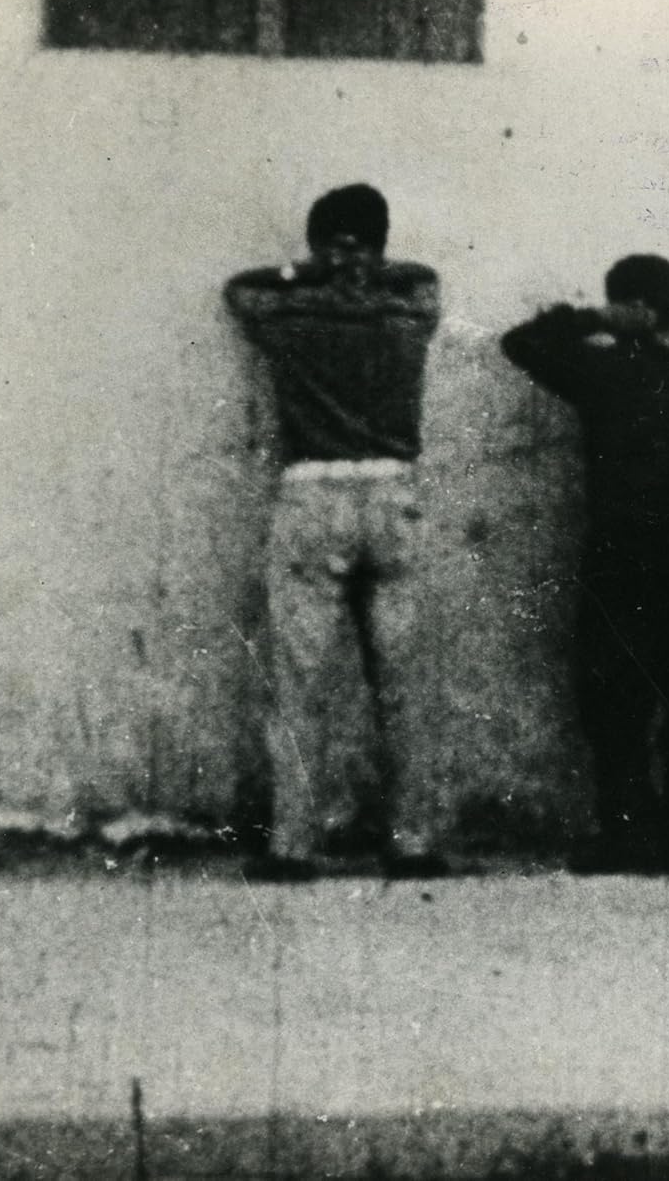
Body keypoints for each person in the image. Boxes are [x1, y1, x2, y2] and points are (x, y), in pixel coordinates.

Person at [501, 256, 669, 873]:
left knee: (614, 706)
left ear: (627, 309)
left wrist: (594, 319)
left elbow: (522, 342)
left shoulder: (603, 370)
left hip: (622, 563)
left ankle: (627, 836)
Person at [225, 184, 445, 881]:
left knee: (300, 681)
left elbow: (240, 290)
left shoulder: (288, 313)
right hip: (393, 490)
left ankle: (293, 844)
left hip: (312, 491)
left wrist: (308, 272)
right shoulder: (408, 310)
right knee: (405, 681)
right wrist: (367, 268)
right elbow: (423, 279)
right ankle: (414, 841)